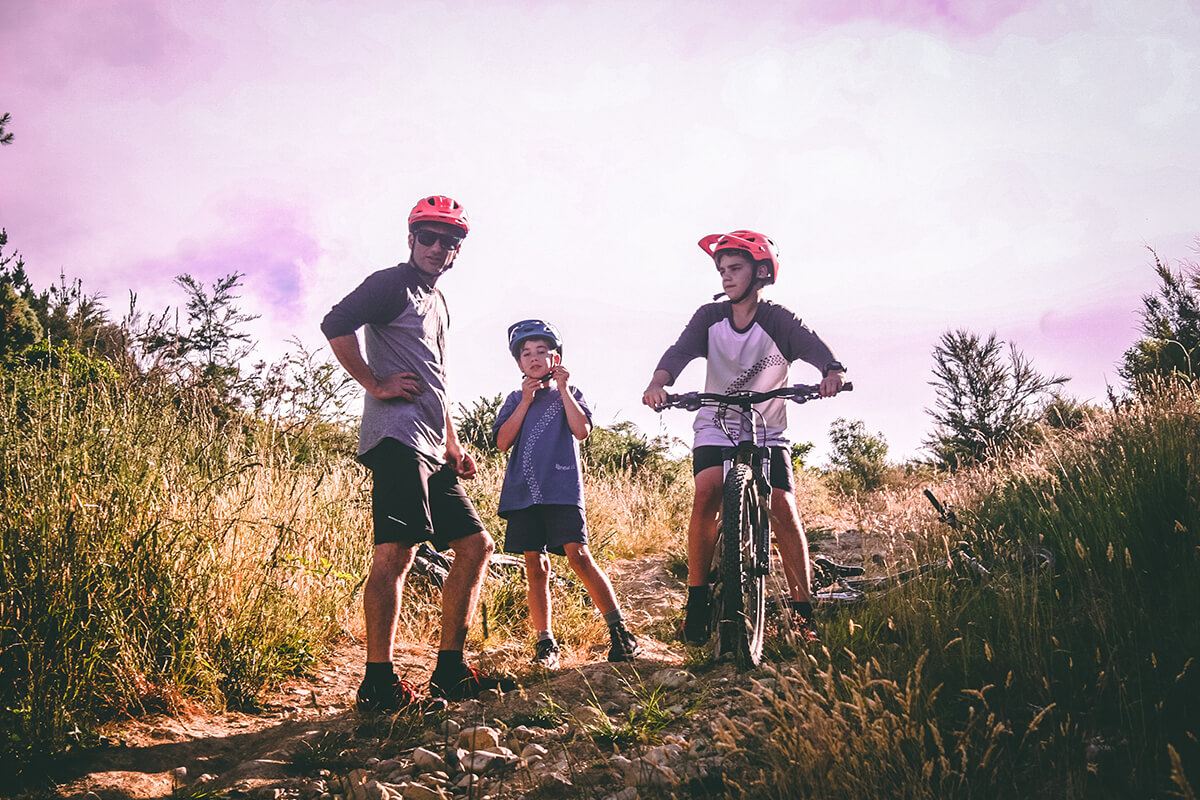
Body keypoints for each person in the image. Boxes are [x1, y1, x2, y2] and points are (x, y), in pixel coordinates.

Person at [320, 194, 515, 712]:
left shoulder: (439, 300)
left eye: (448, 241)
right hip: (397, 439)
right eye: (427, 237)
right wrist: (373, 382)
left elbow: (438, 380)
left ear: (457, 251)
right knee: (397, 553)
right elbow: (334, 324)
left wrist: (452, 442)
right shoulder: (390, 283)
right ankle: (378, 684)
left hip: (432, 445)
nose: (436, 247)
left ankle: (449, 672)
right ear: (411, 240)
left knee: (476, 548)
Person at [641, 230, 846, 645]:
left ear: (761, 272)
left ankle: (803, 612)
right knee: (708, 489)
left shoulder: (777, 319)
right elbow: (678, 353)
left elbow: (813, 347)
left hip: (767, 425)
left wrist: (832, 372)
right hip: (716, 420)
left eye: (735, 268)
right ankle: (697, 601)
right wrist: (658, 384)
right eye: (721, 270)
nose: (726, 277)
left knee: (783, 509)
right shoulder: (709, 318)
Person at [493, 320, 640, 669]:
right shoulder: (515, 399)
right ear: (518, 363)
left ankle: (620, 632)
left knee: (579, 555)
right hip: (523, 493)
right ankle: (545, 644)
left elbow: (582, 431)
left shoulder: (570, 394)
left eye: (541, 352)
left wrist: (563, 390)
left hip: (561, 489)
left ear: (555, 357)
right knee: (535, 565)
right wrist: (526, 401)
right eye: (525, 354)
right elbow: (502, 442)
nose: (533, 358)